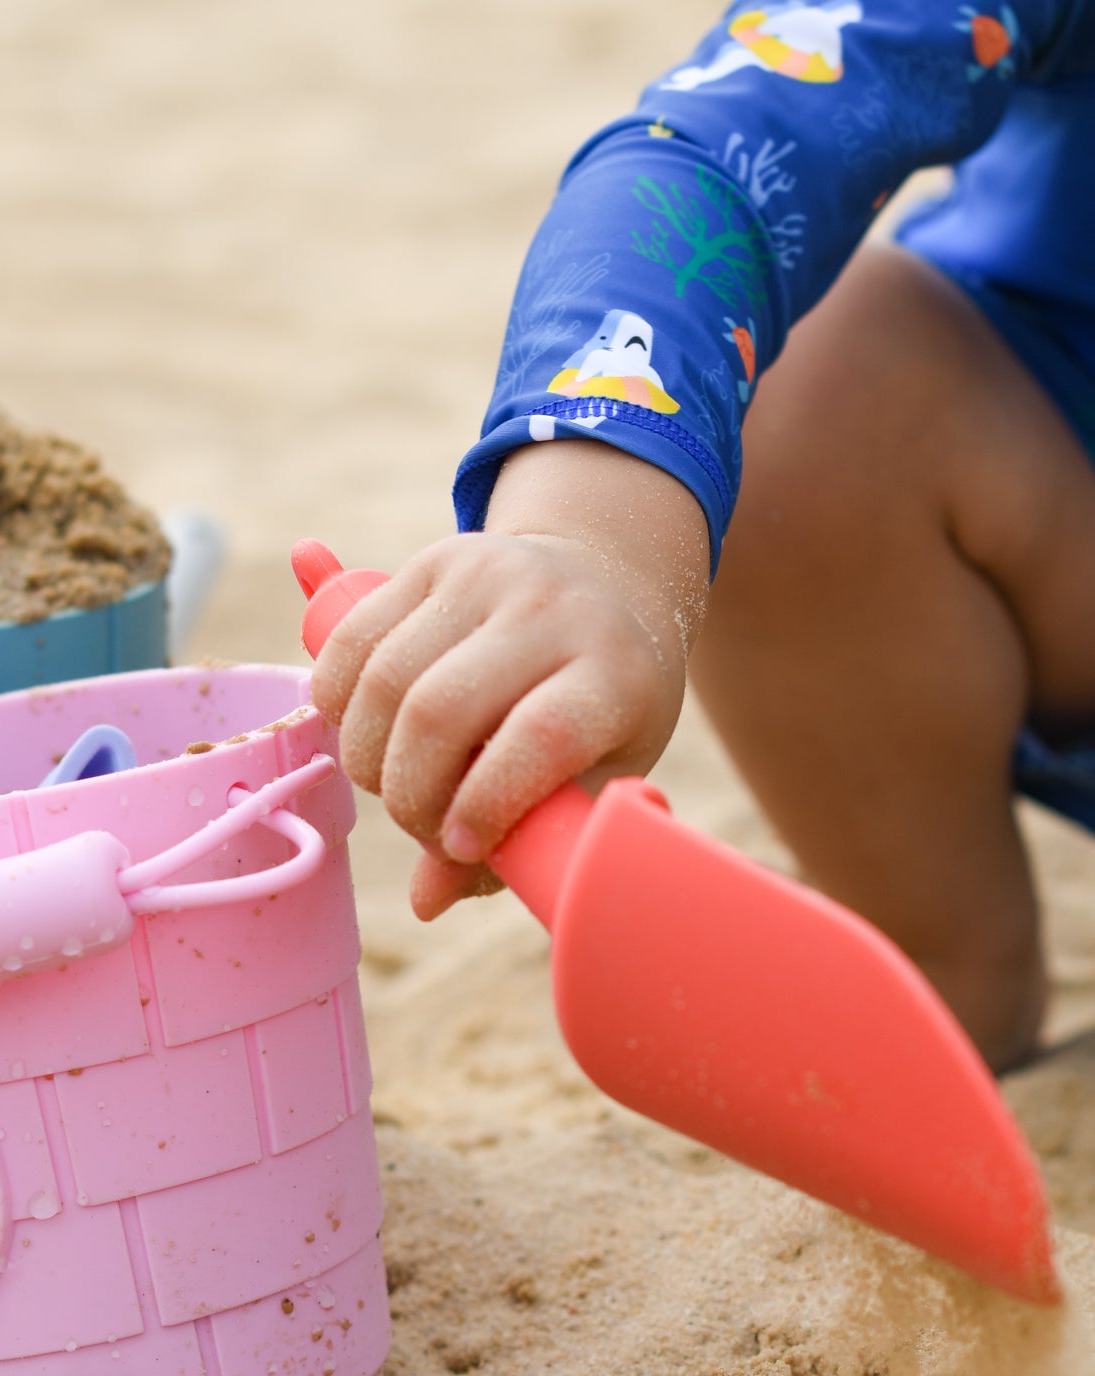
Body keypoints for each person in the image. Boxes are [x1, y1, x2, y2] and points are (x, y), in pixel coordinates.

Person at [309, 0, 1095, 1073]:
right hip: (1050, 492)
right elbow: (726, 144)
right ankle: (941, 983)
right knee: (822, 400)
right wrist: (596, 543)